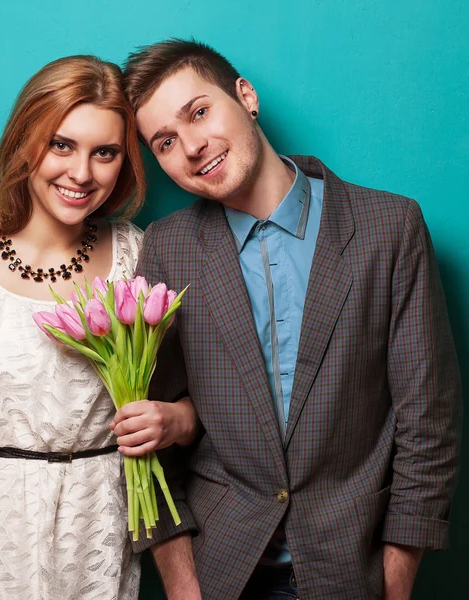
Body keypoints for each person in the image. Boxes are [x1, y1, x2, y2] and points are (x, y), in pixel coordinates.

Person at [115, 39, 463, 599]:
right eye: (165, 142)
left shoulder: (389, 228)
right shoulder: (168, 248)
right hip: (225, 571)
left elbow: (428, 423)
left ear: (245, 97)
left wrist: (394, 587)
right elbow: (150, 436)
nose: (193, 147)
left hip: (353, 569)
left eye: (199, 112)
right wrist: (184, 589)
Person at [0, 55, 198, 600]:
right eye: (61, 145)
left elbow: (195, 404)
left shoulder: (139, 256)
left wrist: (174, 420)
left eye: (106, 153)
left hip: (94, 535)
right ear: (25, 142)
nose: (82, 173)